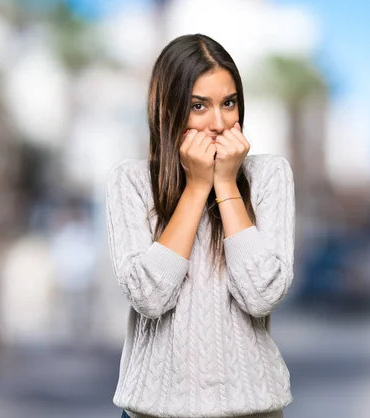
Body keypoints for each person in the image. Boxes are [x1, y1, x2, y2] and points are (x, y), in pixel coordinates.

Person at [106, 33, 295, 418]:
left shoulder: (269, 176)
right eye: (198, 106)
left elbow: (262, 295)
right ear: (167, 110)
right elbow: (149, 297)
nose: (220, 123)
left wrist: (225, 184)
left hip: (252, 410)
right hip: (152, 412)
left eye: (229, 103)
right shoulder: (131, 182)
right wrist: (196, 188)